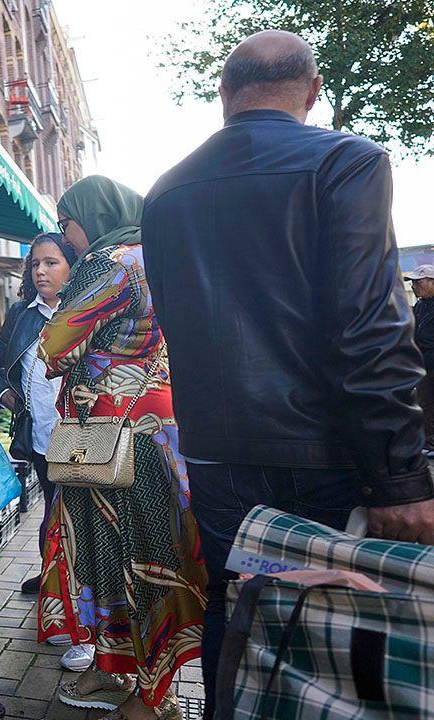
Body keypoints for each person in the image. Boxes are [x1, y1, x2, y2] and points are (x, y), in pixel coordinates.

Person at [141, 30, 434, 719]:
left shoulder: (166, 190)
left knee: (238, 605)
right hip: (326, 455)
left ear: (224, 94)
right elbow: (370, 326)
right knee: (344, 615)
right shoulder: (347, 160)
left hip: (217, 453)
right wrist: (400, 474)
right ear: (313, 89)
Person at [37, 176, 206, 720]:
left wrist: (64, 345)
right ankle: (147, 680)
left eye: (69, 224)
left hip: (111, 438)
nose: (67, 238)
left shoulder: (111, 260)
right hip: (160, 425)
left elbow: (56, 344)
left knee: (118, 557)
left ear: (94, 214)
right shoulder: (161, 252)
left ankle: (147, 699)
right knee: (157, 552)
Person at [0, 233, 95, 673]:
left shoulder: (87, 313)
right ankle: (58, 597)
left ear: (73, 267)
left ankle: (81, 626)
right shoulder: (21, 315)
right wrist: (7, 393)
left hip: (84, 444)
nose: (41, 271)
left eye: (52, 262)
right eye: (35, 264)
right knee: (55, 523)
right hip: (41, 441)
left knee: (77, 531)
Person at [404, 265, 434, 456]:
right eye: (413, 282)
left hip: (431, 362)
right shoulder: (421, 305)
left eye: (419, 282)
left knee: (427, 403)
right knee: (425, 402)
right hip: (424, 363)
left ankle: (430, 443)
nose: (414, 286)